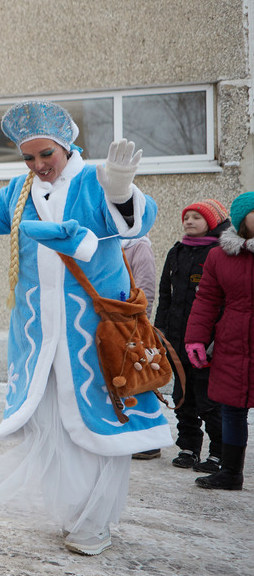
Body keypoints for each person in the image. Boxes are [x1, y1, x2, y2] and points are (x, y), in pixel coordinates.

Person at [0, 100, 168, 556]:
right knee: (52, 426)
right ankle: (73, 512)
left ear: (66, 146)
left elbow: (135, 224)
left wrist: (122, 189)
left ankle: (96, 520)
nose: (38, 165)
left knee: (100, 428)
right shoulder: (19, 191)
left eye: (45, 154)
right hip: (38, 338)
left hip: (92, 336)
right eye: (29, 157)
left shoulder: (93, 181)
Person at [183, 191, 254, 491]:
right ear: (242, 220)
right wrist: (196, 340)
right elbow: (207, 301)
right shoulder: (220, 256)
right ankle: (230, 472)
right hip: (233, 340)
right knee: (232, 408)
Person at [153, 199, 228, 472]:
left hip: (206, 343)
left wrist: (214, 339)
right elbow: (165, 294)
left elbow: (222, 301)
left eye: (197, 217)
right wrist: (160, 329)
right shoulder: (177, 252)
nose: (189, 221)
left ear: (212, 222)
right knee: (182, 396)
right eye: (187, 217)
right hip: (176, 339)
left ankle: (218, 453)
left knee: (208, 400)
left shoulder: (219, 253)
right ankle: (188, 448)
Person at [121, 235, 162, 460]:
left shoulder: (139, 246)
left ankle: (149, 441)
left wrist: (139, 323)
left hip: (131, 324)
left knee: (139, 379)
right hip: (112, 322)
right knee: (122, 380)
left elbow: (145, 287)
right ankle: (129, 434)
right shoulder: (111, 243)